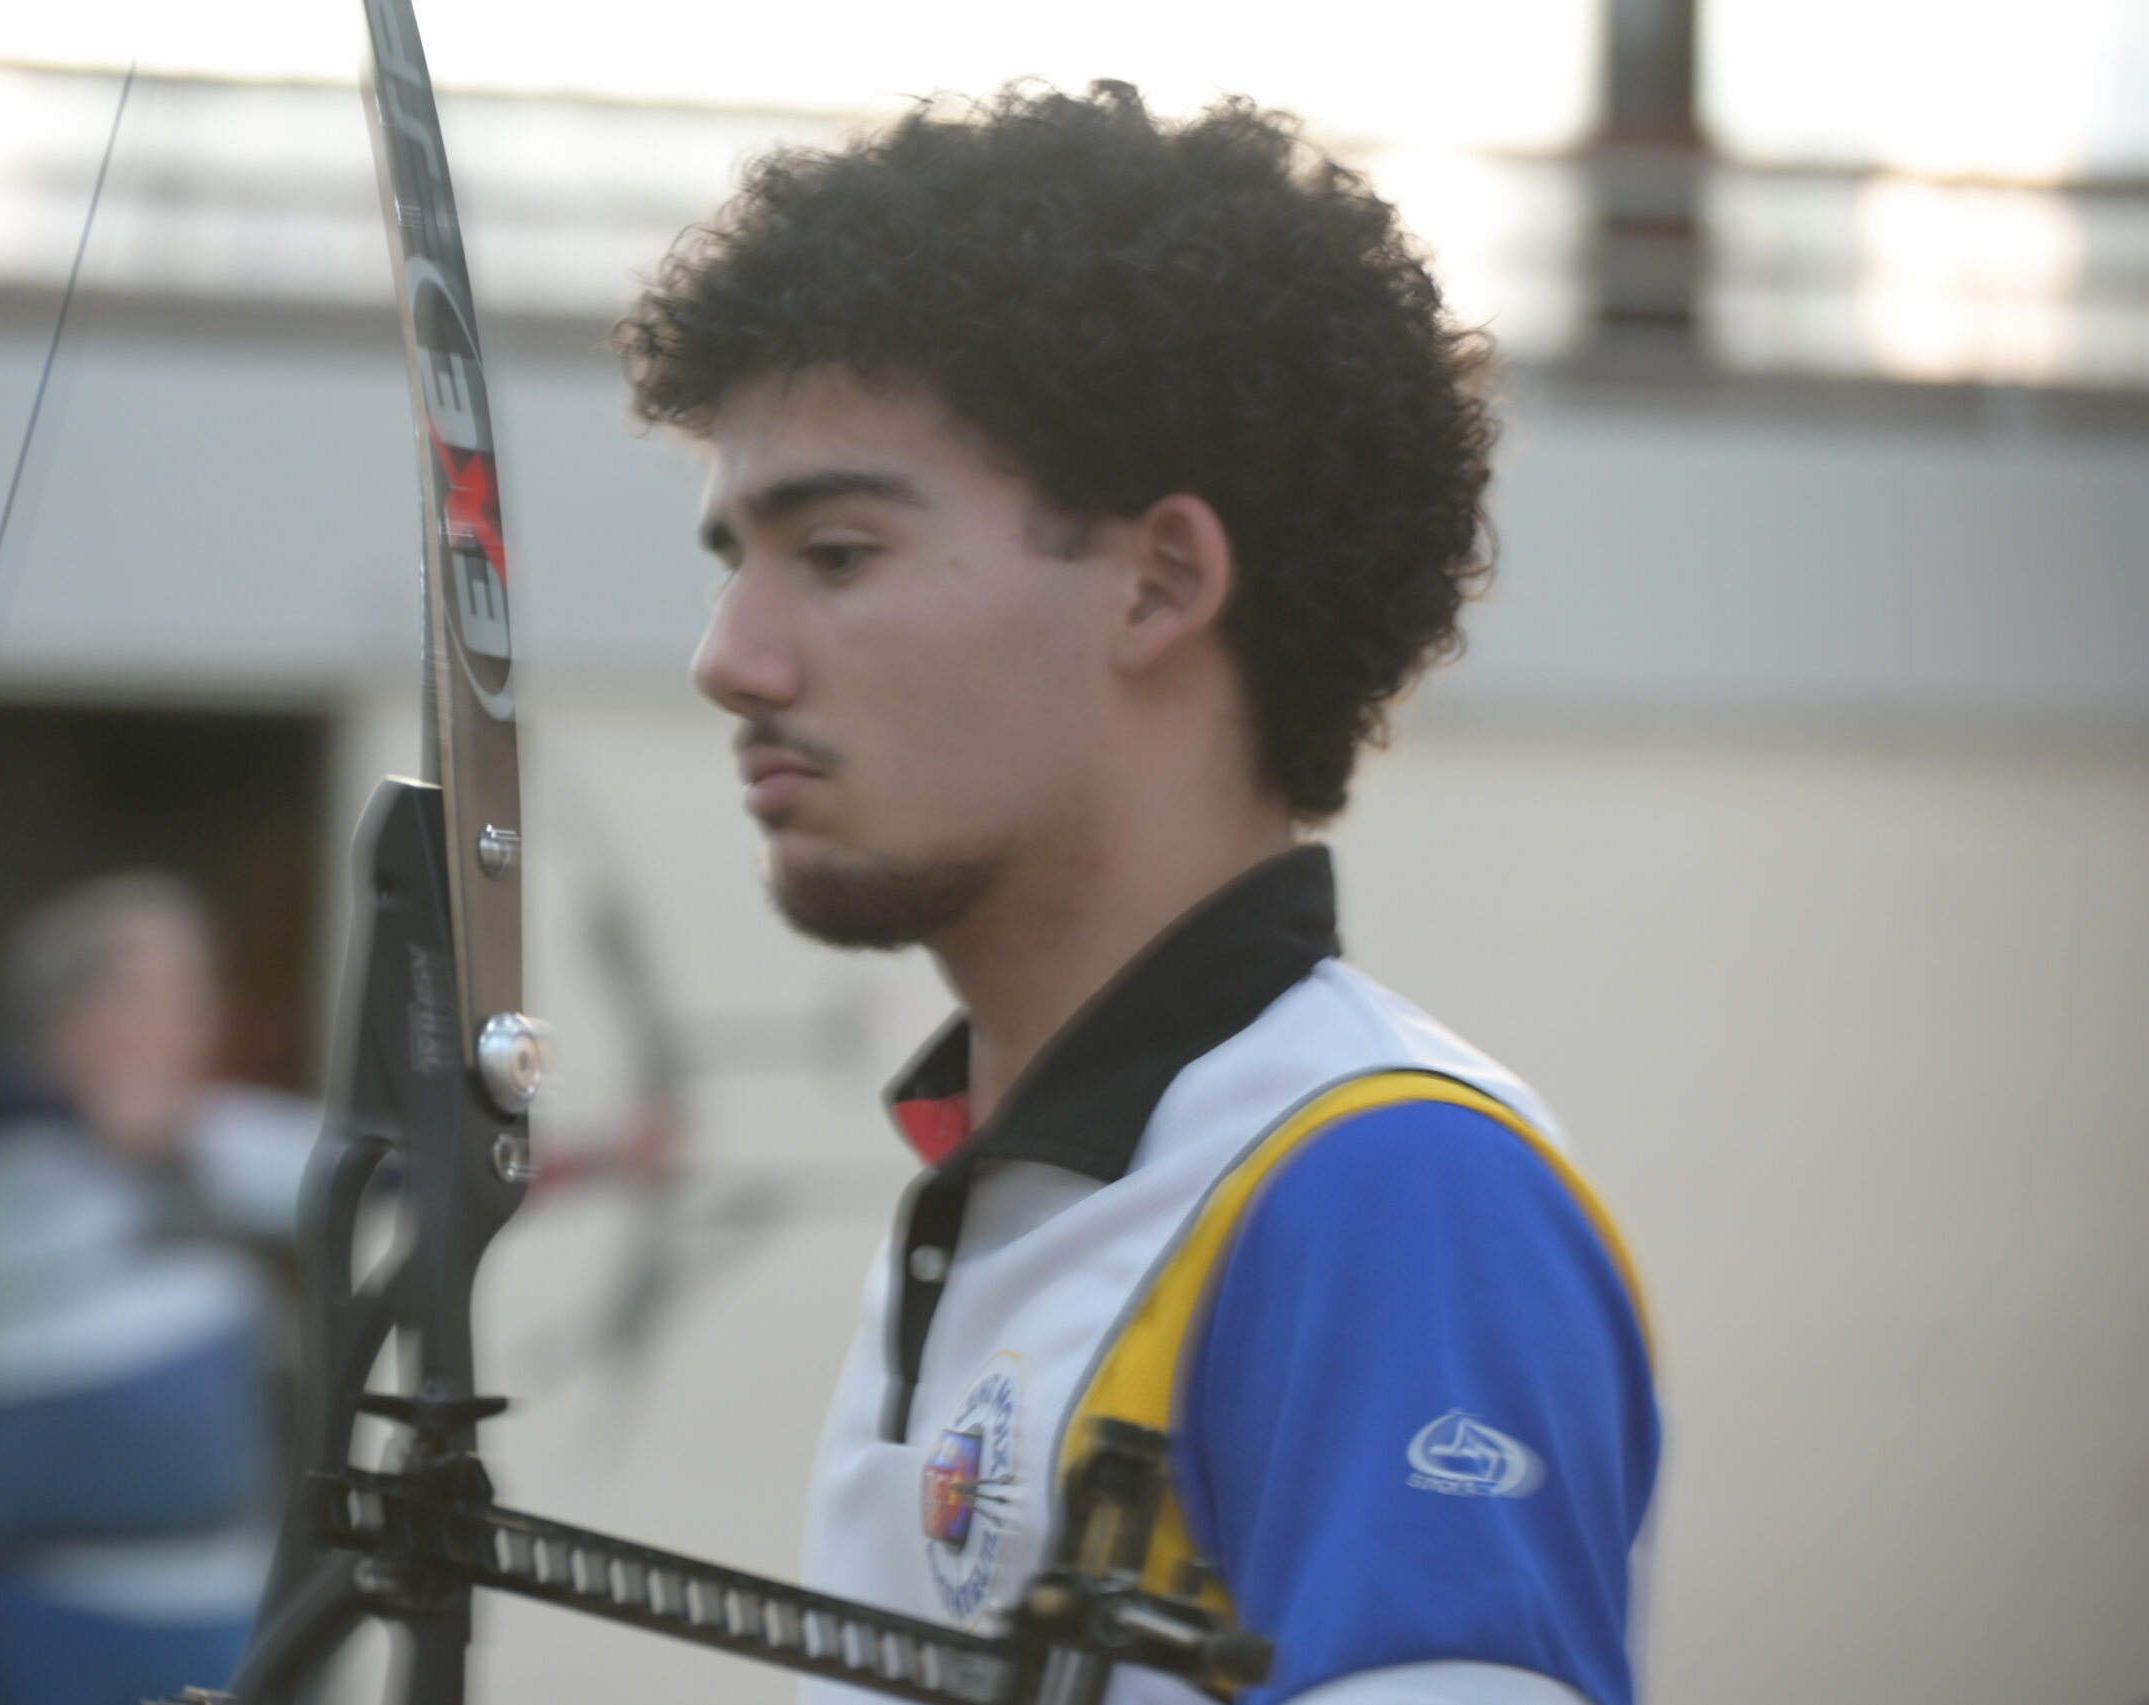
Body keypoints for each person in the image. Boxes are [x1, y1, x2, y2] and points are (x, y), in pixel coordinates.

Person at [615, 84, 1660, 1705]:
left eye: (835, 553)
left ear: (1161, 583)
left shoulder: (1393, 1185)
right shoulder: (1010, 1186)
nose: (728, 659)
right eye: (730, 562)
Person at [0, 871, 316, 1705]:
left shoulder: (215, 1135)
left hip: (217, 1595)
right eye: (158, 993)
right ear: (74, 1012)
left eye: (194, 992)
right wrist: (83, 1109)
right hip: (49, 1603)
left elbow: (390, 1164)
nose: (194, 1016)